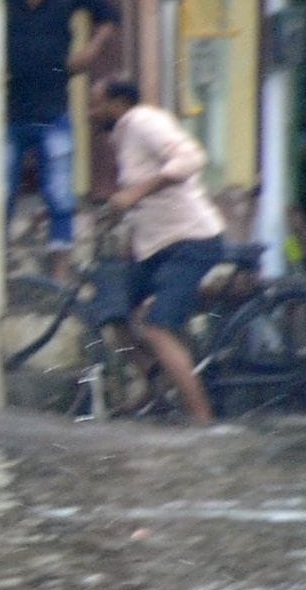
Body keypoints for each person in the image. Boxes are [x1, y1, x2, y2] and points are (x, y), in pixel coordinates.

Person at [92, 77, 222, 425]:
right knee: (113, 309)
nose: (92, 112)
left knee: (157, 328)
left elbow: (191, 159)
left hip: (191, 241)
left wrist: (135, 194)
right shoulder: (122, 137)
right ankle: (154, 385)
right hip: (157, 248)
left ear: (118, 103)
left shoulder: (144, 121)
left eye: (97, 103)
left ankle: (202, 420)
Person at [4, 0, 120, 279]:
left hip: (53, 105)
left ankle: (61, 270)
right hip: (6, 108)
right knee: (0, 193)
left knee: (59, 193)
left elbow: (109, 16)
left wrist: (91, 50)